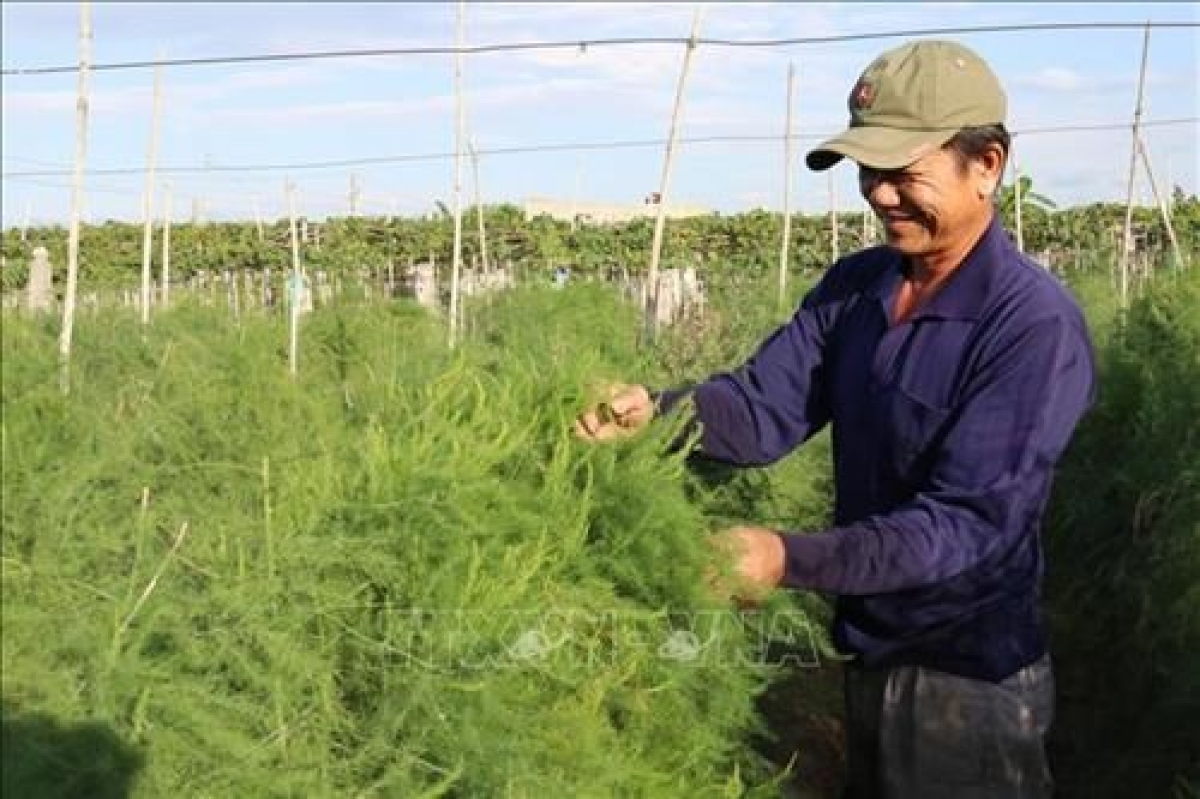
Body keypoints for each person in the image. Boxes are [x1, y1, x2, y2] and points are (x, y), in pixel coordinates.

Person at [574, 39, 1096, 799]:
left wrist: (787, 558)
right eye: (868, 171)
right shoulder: (857, 286)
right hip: (870, 652)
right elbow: (758, 411)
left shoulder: (1031, 327)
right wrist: (655, 413)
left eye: (904, 172)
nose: (880, 194)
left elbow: (963, 524)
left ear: (986, 165)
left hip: (968, 682)